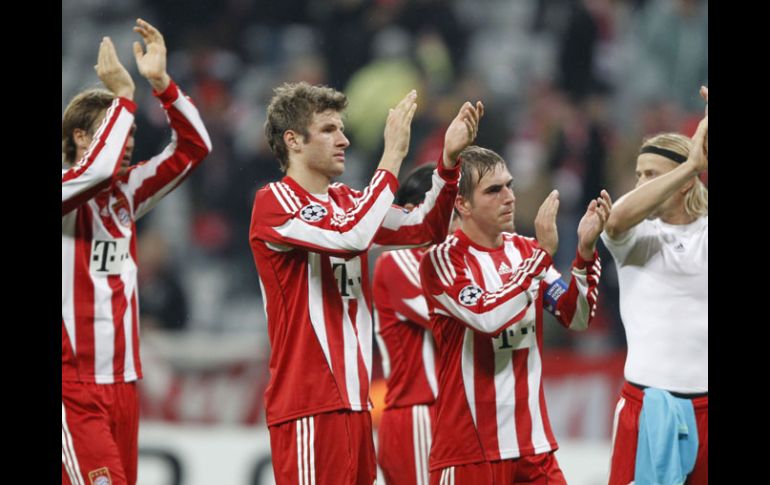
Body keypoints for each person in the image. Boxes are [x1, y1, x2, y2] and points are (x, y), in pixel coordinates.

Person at [248, 81, 483, 484]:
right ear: (294, 141)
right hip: (309, 405)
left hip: (355, 404)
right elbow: (349, 238)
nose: (344, 139)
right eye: (329, 130)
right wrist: (392, 155)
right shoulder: (274, 202)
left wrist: (447, 162)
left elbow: (424, 227)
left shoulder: (345, 201)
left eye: (342, 129)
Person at [61, 19, 212, 485]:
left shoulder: (128, 193)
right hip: (73, 385)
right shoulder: (65, 192)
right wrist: (124, 96)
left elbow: (194, 148)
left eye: (128, 132)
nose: (127, 142)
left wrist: (162, 86)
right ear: (82, 138)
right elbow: (98, 168)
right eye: (115, 130)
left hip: (124, 383)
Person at [419, 145, 609, 484]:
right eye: (493, 190)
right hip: (469, 452)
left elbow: (575, 317)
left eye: (509, 185)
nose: (509, 197)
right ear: (462, 204)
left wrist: (584, 252)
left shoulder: (524, 251)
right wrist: (543, 257)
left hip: (532, 446)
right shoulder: (442, 261)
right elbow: (487, 317)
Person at [602, 87, 708, 485]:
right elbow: (615, 218)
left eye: (651, 176)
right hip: (643, 405)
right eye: (638, 175)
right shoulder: (632, 238)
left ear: (683, 184)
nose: (640, 184)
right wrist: (690, 166)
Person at [372, 164, 458, 485]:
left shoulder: (453, 267)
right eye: (448, 208)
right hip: (417, 413)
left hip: (447, 412)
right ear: (412, 212)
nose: (458, 218)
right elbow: (456, 315)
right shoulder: (397, 262)